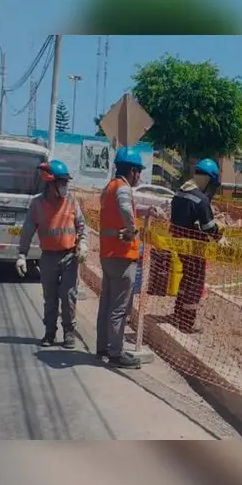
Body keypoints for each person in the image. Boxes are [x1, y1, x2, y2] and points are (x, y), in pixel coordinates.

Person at [16, 159, 88, 349]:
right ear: (51, 182)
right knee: (50, 298)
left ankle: (69, 333)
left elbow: (81, 226)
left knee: (68, 296)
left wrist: (84, 243)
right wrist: (22, 255)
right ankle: (49, 333)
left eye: (66, 182)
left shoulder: (72, 201)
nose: (65, 186)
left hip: (70, 257)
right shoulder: (37, 204)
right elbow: (28, 230)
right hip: (48, 257)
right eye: (62, 182)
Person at [94, 147, 145, 369]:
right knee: (119, 307)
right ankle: (116, 353)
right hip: (123, 256)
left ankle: (103, 346)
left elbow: (118, 210)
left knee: (106, 304)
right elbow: (125, 209)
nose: (139, 176)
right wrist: (132, 229)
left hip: (108, 254)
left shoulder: (109, 188)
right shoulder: (123, 188)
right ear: (132, 170)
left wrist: (142, 214)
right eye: (139, 172)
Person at [168, 158, 226, 333]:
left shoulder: (179, 192)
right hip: (195, 249)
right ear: (208, 178)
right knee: (195, 283)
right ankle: (187, 323)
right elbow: (208, 227)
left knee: (186, 280)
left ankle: (178, 314)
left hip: (179, 245)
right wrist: (220, 237)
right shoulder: (200, 199)